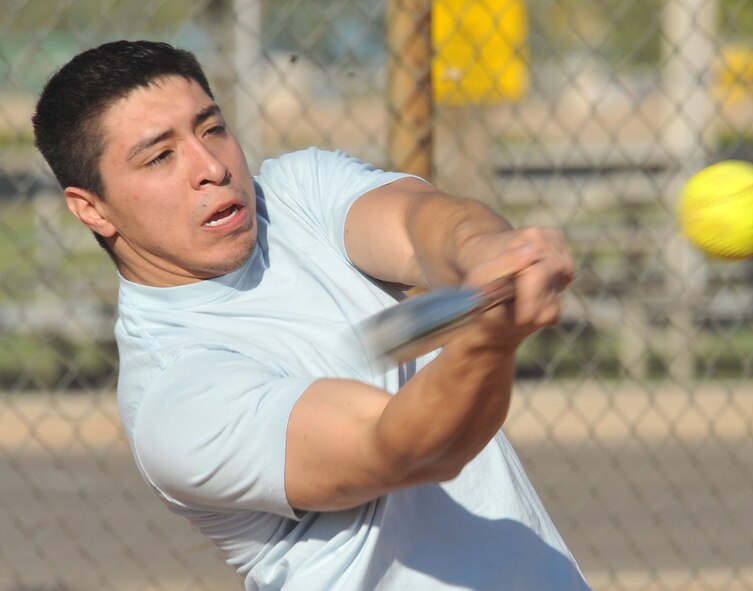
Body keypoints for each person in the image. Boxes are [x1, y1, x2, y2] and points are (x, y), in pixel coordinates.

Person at [32, 40, 591, 590]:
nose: (210, 167)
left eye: (212, 129)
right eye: (160, 156)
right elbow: (407, 448)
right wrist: (488, 342)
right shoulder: (174, 396)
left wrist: (491, 255)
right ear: (92, 208)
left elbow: (423, 225)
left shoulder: (295, 192)